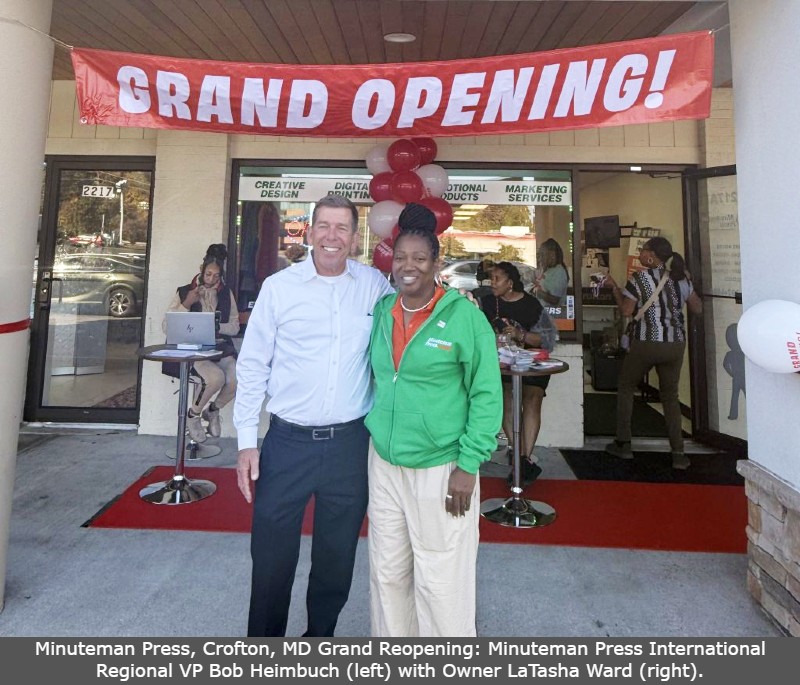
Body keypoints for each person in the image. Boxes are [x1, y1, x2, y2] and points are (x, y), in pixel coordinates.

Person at [233, 195, 394, 637]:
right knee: (270, 558)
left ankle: (319, 638)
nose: (331, 236)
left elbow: (408, 328)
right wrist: (248, 440)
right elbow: (252, 365)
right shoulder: (279, 288)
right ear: (308, 232)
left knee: (336, 558)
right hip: (287, 444)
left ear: (355, 237)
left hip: (349, 446)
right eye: (323, 226)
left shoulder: (375, 287)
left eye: (342, 228)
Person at [366, 203, 502, 637]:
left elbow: (486, 393)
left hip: (442, 467)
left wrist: (469, 465)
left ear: (436, 264)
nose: (408, 267)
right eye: (400, 257)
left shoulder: (464, 317)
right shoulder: (382, 313)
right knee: (388, 574)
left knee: (440, 581)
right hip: (385, 463)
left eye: (419, 258)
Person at [604, 237, 702, 469]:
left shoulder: (639, 279)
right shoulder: (682, 278)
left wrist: (615, 289)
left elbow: (627, 311)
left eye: (643, 250)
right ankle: (678, 452)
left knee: (627, 386)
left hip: (646, 342)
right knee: (670, 396)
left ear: (651, 256)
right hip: (675, 344)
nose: (640, 253)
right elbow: (697, 308)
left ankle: (624, 443)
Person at [480, 261, 557, 484]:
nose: (491, 283)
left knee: (533, 397)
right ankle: (520, 456)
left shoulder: (532, 305)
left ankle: (523, 457)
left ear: (510, 283)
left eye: (497, 279)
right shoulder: (485, 302)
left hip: (531, 364)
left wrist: (520, 335)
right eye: (491, 278)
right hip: (502, 365)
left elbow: (547, 339)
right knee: (505, 395)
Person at [163, 250, 239, 442]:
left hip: (220, 349)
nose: (211, 279)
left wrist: (215, 326)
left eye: (216, 275)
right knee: (215, 378)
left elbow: (234, 326)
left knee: (238, 378)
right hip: (193, 350)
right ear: (201, 271)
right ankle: (193, 415)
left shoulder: (226, 293)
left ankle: (213, 410)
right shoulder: (184, 291)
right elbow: (167, 327)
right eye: (208, 274)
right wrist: (187, 303)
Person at [533, 238, 569, 309]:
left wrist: (539, 293)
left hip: (553, 315)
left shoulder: (559, 272)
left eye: (543, 255)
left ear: (552, 255)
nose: (541, 259)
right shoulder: (548, 270)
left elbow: (555, 300)